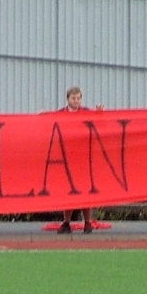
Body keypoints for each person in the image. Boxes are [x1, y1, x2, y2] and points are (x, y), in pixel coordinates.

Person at [57, 86, 104, 234]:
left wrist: (99, 113)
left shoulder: (86, 113)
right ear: (68, 99)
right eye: (73, 98)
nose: (76, 101)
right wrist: (43, 115)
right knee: (68, 192)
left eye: (78, 98)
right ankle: (66, 222)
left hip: (83, 158)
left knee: (84, 191)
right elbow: (47, 121)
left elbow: (100, 122)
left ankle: (87, 222)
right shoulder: (60, 114)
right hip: (68, 158)